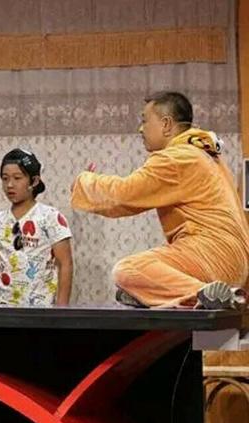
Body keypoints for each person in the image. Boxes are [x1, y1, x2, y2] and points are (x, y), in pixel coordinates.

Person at [71, 91, 249, 310]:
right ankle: (215, 294)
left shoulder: (176, 158)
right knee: (134, 286)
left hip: (212, 256)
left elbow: (125, 194)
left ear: (166, 124)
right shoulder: (204, 154)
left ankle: (207, 294)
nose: (140, 128)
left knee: (128, 270)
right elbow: (126, 202)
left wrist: (84, 182)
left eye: (145, 120)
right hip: (234, 261)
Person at [0, 148, 73, 306]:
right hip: (1, 309)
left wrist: (61, 311)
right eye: (5, 178)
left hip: (40, 310)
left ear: (34, 181)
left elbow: (65, 264)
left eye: (17, 178)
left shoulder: (50, 217)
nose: (10, 185)